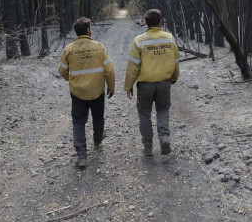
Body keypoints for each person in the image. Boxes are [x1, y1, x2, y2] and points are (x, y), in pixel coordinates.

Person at [59, 17, 115, 167]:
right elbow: (109, 70)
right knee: (98, 116)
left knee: (78, 121)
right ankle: (97, 139)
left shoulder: (68, 49)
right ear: (88, 30)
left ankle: (82, 155)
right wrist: (111, 87)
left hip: (78, 92)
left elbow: (62, 70)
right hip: (97, 91)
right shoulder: (99, 47)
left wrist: (71, 80)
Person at [124, 9, 179, 157]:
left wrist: (129, 85)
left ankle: (148, 147)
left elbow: (133, 66)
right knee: (162, 110)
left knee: (144, 114)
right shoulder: (169, 39)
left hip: (145, 86)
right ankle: (164, 138)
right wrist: (174, 77)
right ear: (161, 22)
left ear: (146, 23)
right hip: (164, 83)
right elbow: (175, 61)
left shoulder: (139, 41)